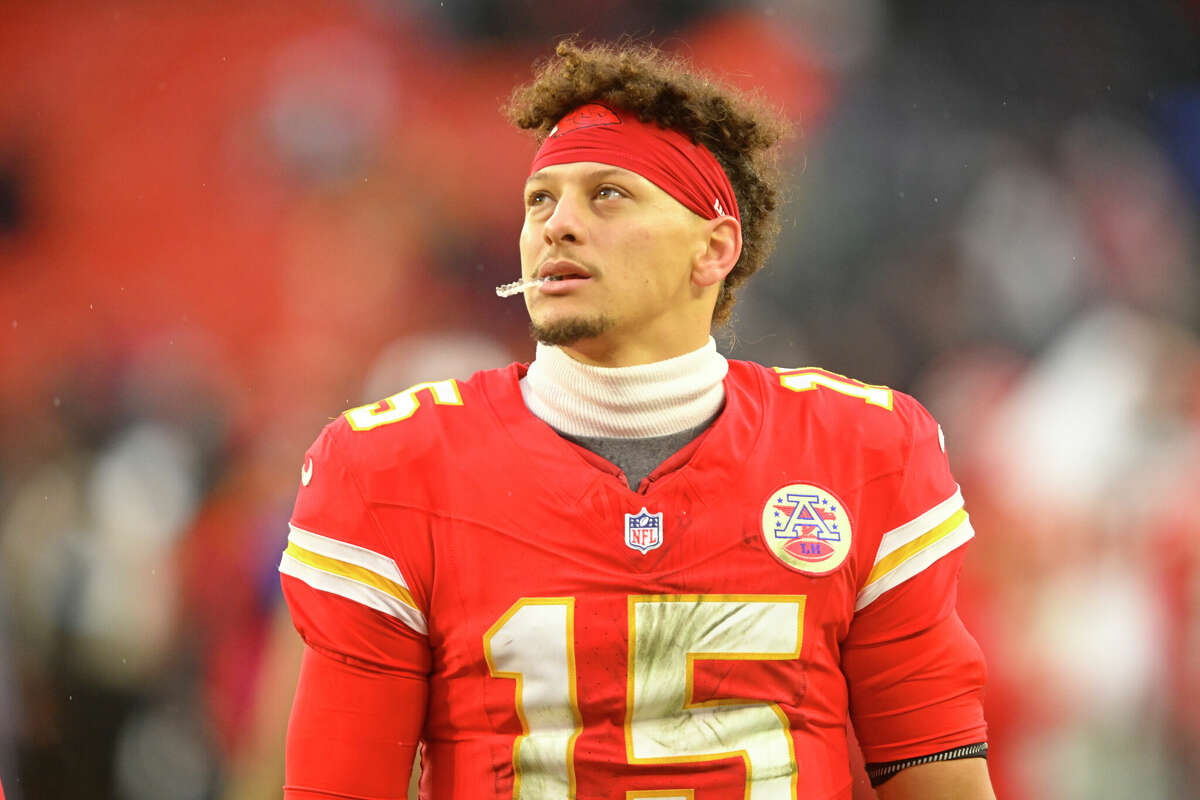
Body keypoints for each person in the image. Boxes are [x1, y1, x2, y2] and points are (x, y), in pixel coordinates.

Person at [278, 40, 994, 799]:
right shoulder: (392, 466)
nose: (557, 225)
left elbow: (935, 770)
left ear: (714, 248)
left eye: (608, 194)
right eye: (540, 200)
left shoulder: (862, 450)